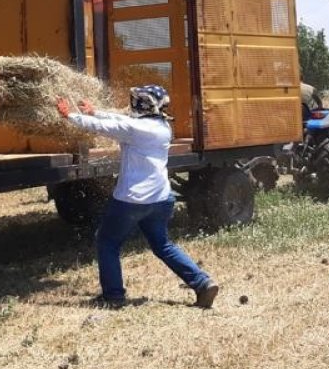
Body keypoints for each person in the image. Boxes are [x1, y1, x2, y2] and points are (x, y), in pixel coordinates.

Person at [56, 85, 219, 309]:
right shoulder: (162, 126)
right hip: (161, 198)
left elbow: (105, 127)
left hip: (131, 200)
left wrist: (70, 116)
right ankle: (202, 283)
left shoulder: (135, 129)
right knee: (163, 245)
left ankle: (113, 296)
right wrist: (94, 111)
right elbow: (121, 121)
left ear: (141, 105)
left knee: (108, 241)